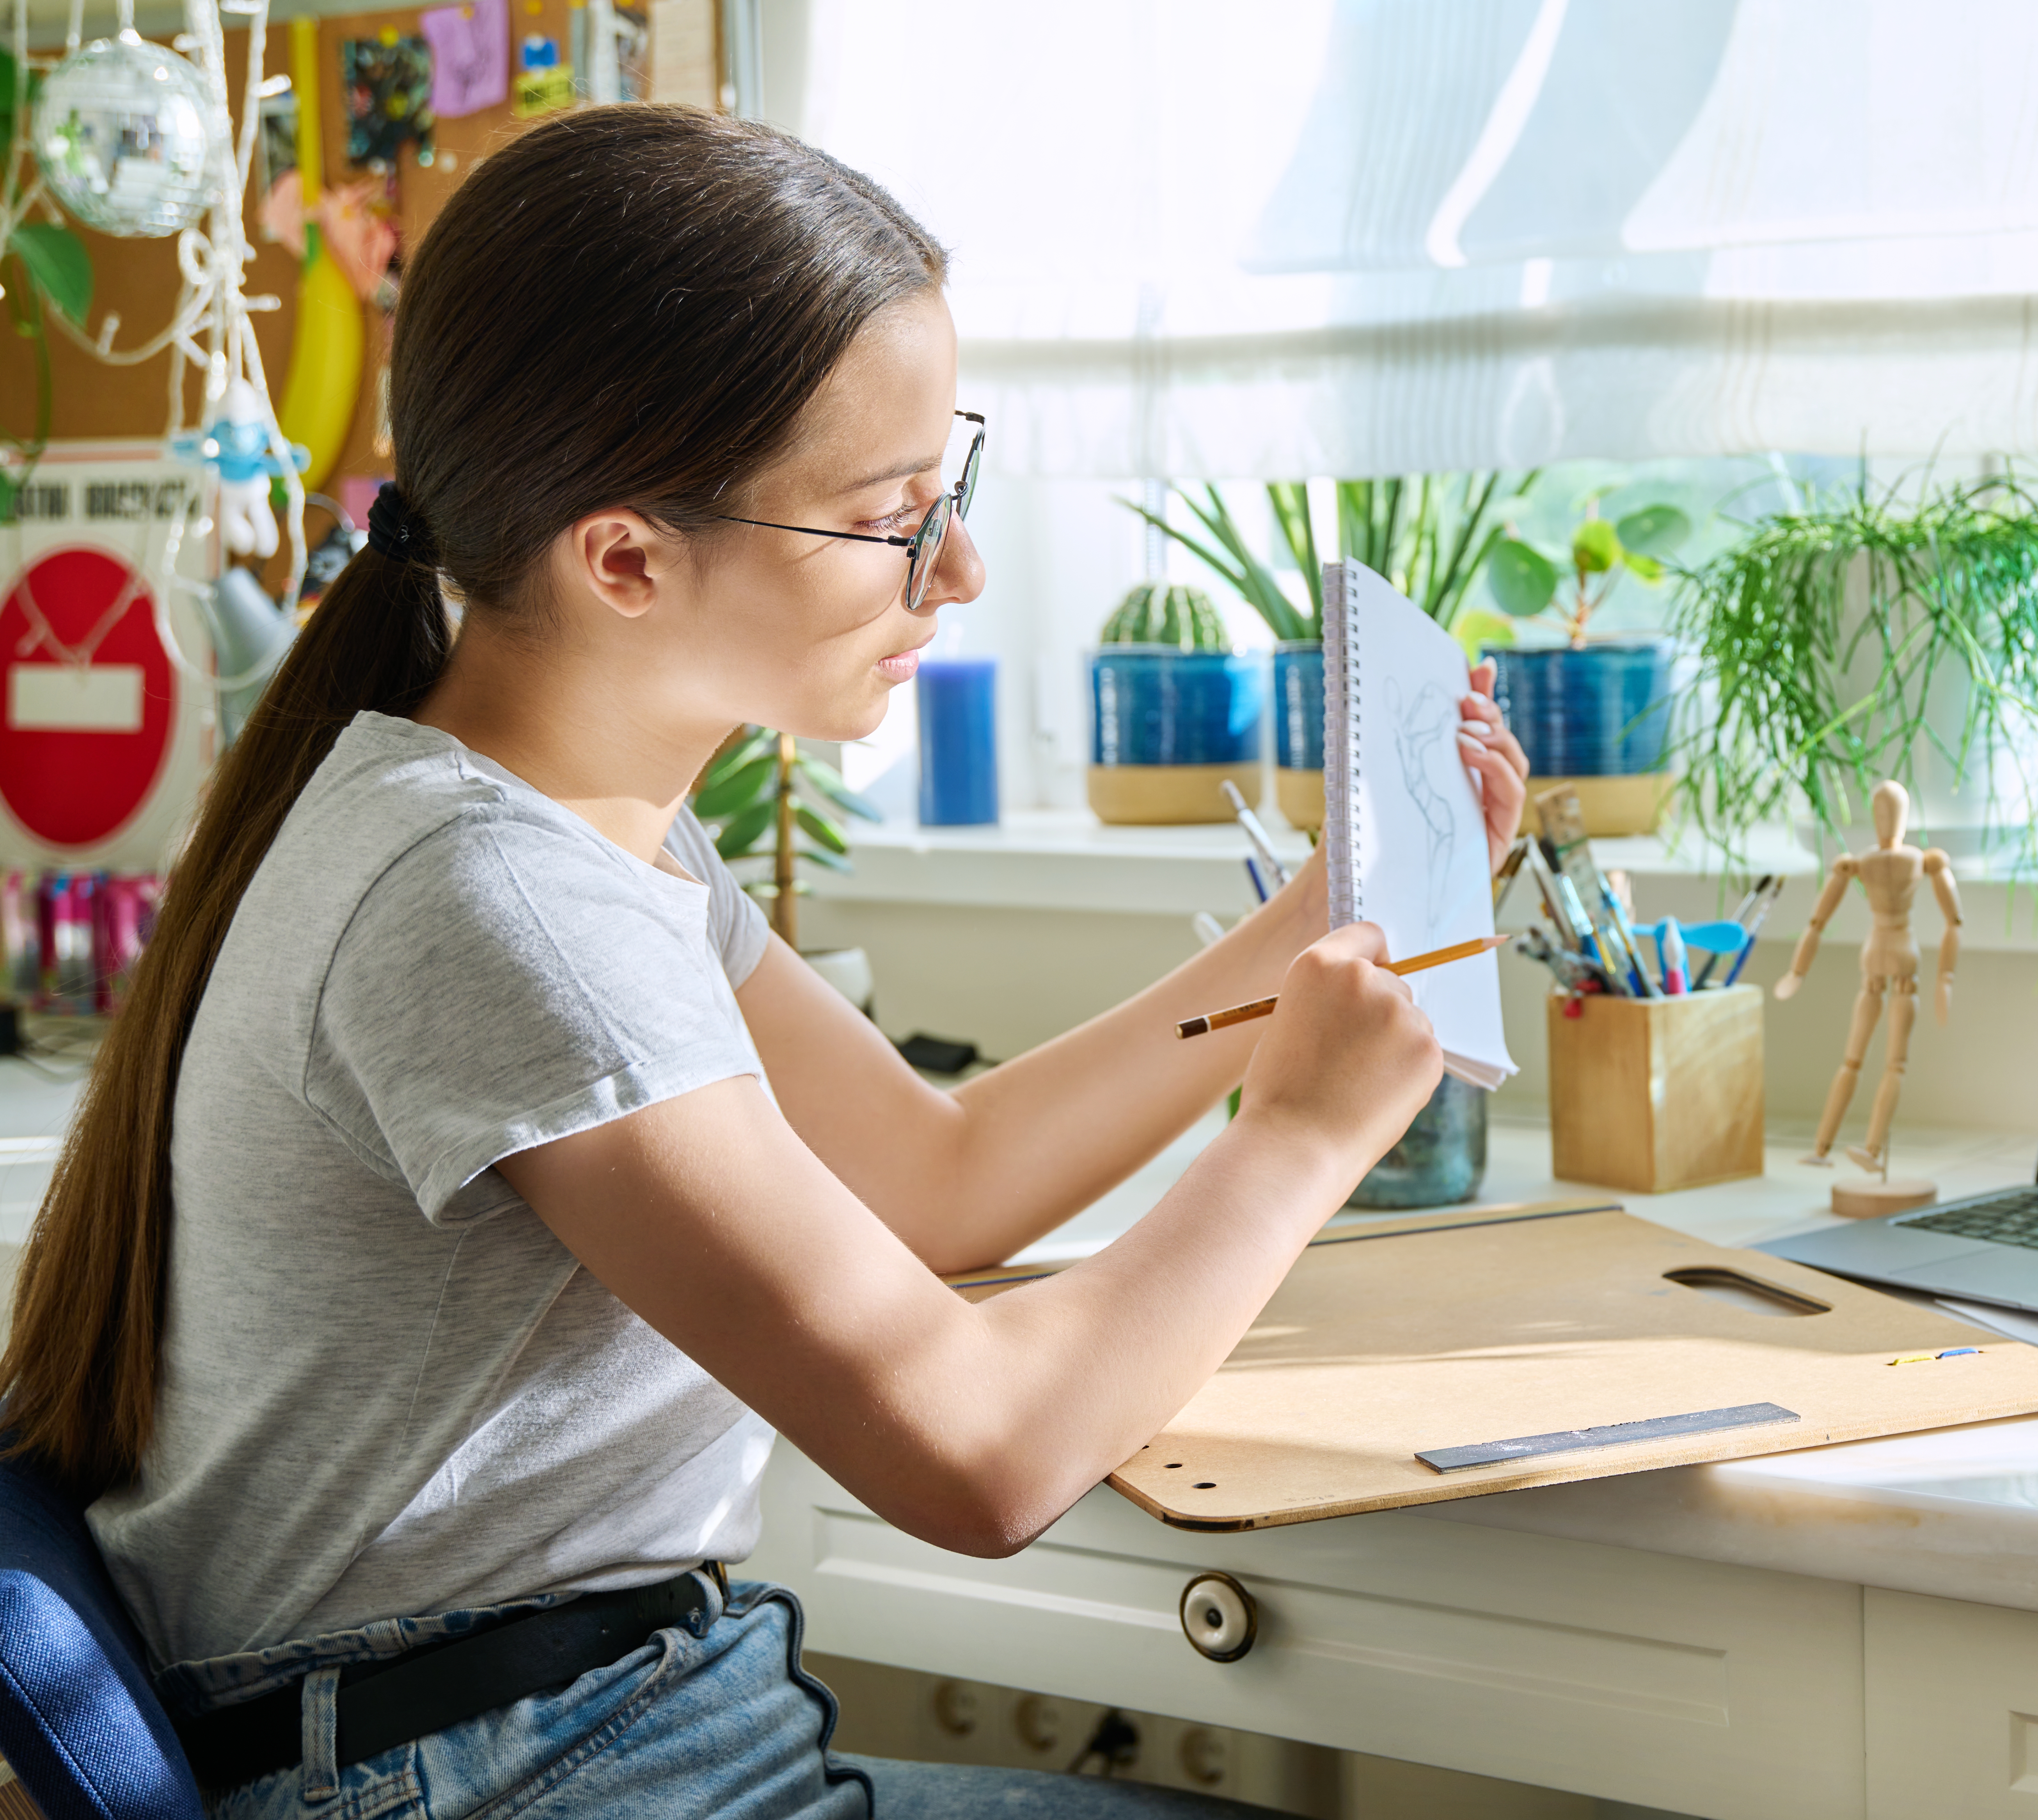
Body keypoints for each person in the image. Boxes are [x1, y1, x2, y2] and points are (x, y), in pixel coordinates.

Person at [0, 108, 1530, 1818]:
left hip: (565, 1739)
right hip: (516, 1775)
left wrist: (1324, 910)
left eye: (948, 488)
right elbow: (980, 1450)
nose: (958, 567)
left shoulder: (584, 831)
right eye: (892, 517)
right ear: (627, 559)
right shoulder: (497, 899)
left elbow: (942, 1178)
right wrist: (1301, 1134)